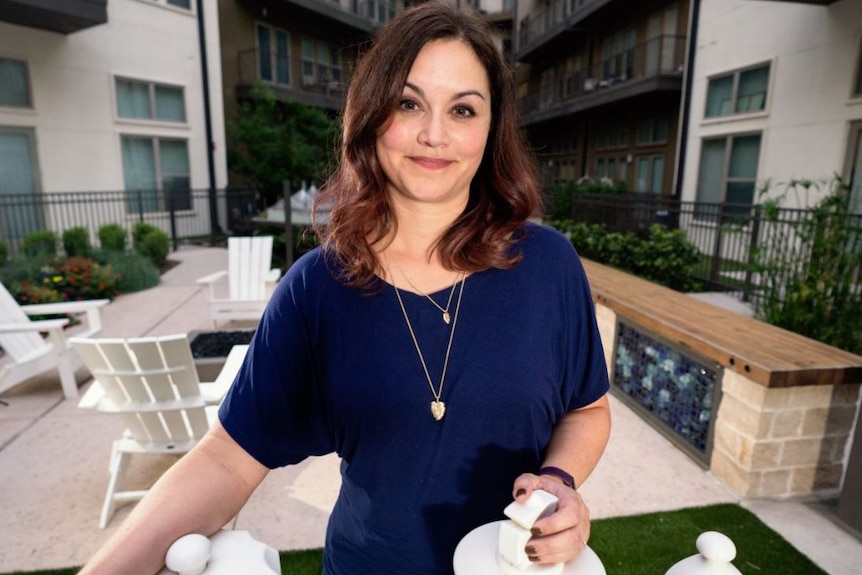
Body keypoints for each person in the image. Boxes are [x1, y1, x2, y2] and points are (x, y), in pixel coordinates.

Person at [78, 2, 611, 574]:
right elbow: (228, 460)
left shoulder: (547, 266)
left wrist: (559, 482)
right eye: (409, 103)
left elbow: (588, 409)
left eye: (463, 109)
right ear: (372, 113)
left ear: (490, 129)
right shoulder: (316, 288)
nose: (434, 135)